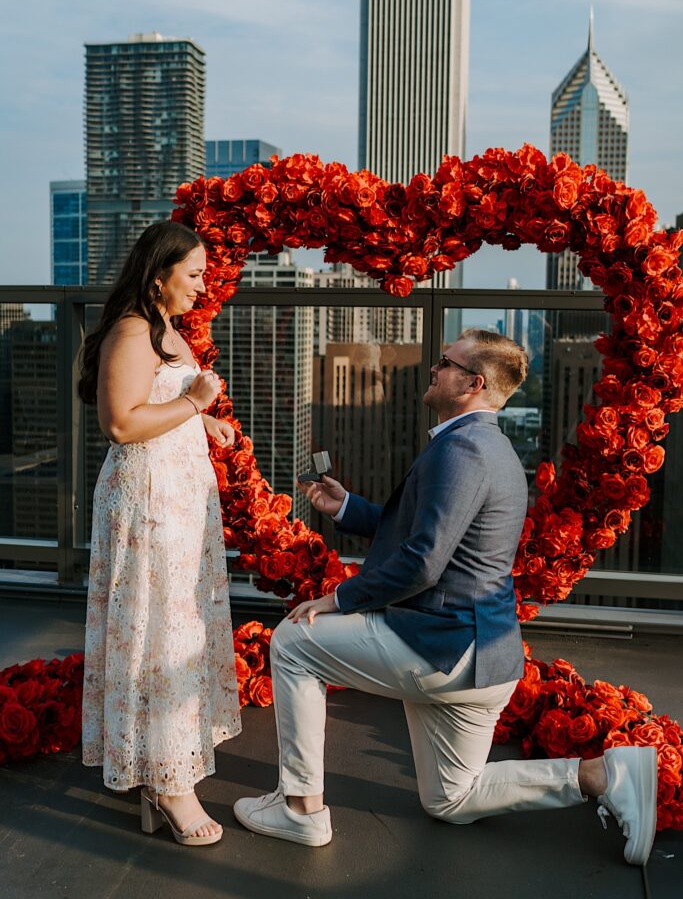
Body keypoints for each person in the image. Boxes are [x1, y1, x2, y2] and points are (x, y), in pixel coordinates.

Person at [233, 329, 658, 865]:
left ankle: (300, 809)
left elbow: (423, 562)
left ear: (472, 383)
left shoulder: (462, 451)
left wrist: (337, 599)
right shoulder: (484, 445)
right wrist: (346, 508)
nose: (432, 370)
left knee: (294, 642)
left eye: (444, 363)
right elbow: (425, 535)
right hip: (485, 662)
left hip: (445, 647)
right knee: (450, 799)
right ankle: (603, 774)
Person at [79, 221, 241, 847]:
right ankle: (169, 782)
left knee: (177, 623)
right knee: (159, 627)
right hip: (146, 501)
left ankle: (162, 757)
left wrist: (205, 426)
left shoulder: (166, 331)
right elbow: (121, 423)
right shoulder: (130, 331)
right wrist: (197, 405)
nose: (204, 286)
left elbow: (159, 406)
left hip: (179, 497)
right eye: (195, 274)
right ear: (158, 277)